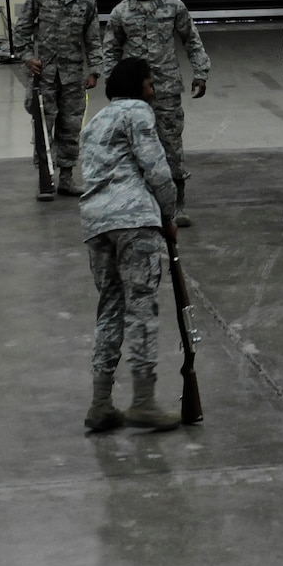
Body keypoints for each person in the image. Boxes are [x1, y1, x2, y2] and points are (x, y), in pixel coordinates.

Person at [78, 56, 182, 434]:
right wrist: (169, 214)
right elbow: (156, 169)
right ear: (137, 87)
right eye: (150, 84)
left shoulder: (96, 122)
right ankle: (143, 401)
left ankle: (101, 402)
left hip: (96, 223)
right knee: (141, 308)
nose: (153, 91)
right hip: (134, 221)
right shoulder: (138, 112)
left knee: (109, 309)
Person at [100, 0, 209, 226]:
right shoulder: (121, 12)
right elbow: (110, 49)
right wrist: (111, 82)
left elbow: (191, 39)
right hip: (132, 93)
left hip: (166, 88)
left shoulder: (173, 5)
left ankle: (176, 203)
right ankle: (137, 199)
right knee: (134, 144)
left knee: (171, 144)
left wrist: (201, 71)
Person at [14, 0, 104, 200]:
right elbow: (20, 32)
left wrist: (95, 70)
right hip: (44, 75)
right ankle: (45, 179)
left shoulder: (87, 0)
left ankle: (66, 178)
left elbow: (93, 39)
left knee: (71, 127)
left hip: (73, 77)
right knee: (43, 128)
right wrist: (26, 58)